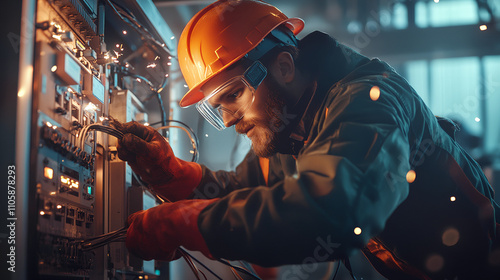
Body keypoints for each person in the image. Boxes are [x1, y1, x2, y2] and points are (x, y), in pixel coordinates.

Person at [112, 0, 500, 279]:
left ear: (283, 66)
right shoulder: (287, 128)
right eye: (217, 108)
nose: (229, 120)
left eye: (232, 95)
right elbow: (245, 190)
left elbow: (333, 210)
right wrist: (173, 175)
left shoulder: (368, 102)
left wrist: (182, 224)